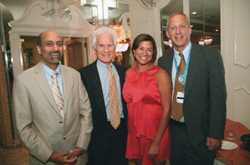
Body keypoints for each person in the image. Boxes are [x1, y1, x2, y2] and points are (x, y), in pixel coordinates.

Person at [13, 31, 92, 165]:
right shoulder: (24, 81)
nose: (55, 48)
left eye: (59, 44)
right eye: (49, 44)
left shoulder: (75, 75)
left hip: (78, 157)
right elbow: (23, 127)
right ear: (39, 49)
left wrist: (81, 146)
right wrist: (50, 155)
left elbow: (86, 113)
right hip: (45, 160)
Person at [158, 12, 227, 165]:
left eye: (182, 26)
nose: (178, 32)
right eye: (173, 28)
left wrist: (215, 133)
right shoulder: (163, 61)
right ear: (168, 33)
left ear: (189, 30)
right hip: (174, 131)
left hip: (202, 133)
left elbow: (218, 97)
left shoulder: (210, 56)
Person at [79, 26, 128, 165]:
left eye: (109, 45)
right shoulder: (84, 75)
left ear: (115, 47)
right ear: (95, 48)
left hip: (122, 133)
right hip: (97, 136)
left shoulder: (124, 71)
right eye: (101, 46)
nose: (106, 50)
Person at [123, 34, 171, 165]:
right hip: (134, 134)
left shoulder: (161, 74)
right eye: (141, 48)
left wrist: (157, 142)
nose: (145, 53)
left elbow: (167, 109)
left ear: (153, 52)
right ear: (134, 51)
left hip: (155, 134)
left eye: (149, 49)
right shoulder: (128, 73)